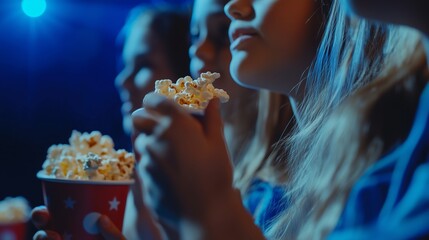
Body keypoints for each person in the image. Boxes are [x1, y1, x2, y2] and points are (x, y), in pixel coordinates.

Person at [132, 0, 428, 239]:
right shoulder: (294, 184)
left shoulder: (390, 153)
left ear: (327, 8)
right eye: (194, 37)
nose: (234, 7)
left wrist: (212, 213)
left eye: (221, 32)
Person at [31, 4, 191, 240]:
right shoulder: (122, 175)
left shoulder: (205, 186)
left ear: (186, 80)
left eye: (144, 64)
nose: (122, 80)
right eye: (124, 65)